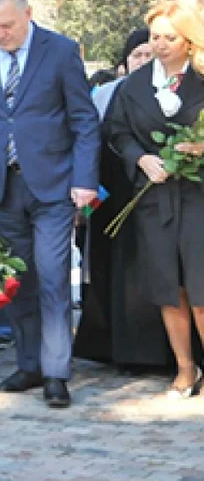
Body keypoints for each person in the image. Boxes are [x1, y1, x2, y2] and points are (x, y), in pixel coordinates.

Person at [0, 0, 99, 409]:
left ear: (27, 13)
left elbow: (84, 119)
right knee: (16, 278)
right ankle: (29, 362)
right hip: (0, 186)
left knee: (53, 275)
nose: (0, 34)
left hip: (53, 184)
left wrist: (84, 179)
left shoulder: (59, 51)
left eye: (7, 26)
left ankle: (56, 371)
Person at [105, 0, 204, 397]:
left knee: (202, 289)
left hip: (199, 199)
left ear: (190, 41)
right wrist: (141, 158)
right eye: (154, 37)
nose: (160, 45)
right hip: (154, 200)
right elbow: (117, 132)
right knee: (169, 289)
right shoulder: (135, 85)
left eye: (169, 38)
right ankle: (185, 369)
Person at [75, 28, 170, 370]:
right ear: (124, 62)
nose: (143, 61)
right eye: (137, 56)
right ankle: (118, 348)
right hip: (110, 199)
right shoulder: (105, 95)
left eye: (149, 54)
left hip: (158, 196)